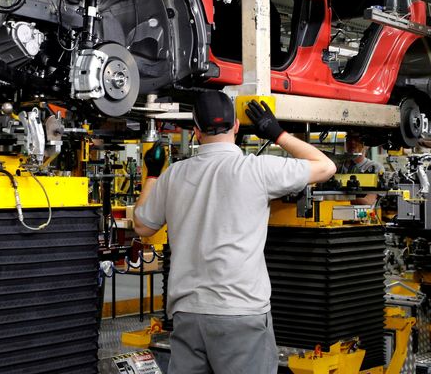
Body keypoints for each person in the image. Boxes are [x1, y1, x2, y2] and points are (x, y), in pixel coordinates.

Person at [133, 92, 336, 373]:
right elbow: (326, 167)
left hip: (188, 314)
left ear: (196, 131)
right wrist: (276, 133)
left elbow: (142, 225)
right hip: (240, 313)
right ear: (237, 126)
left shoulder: (173, 176)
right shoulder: (257, 170)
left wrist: (153, 174)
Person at [336, 131, 383, 205]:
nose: (352, 142)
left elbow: (368, 201)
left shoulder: (374, 167)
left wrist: (336, 197)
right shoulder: (337, 167)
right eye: (349, 138)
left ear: (367, 145)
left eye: (357, 139)